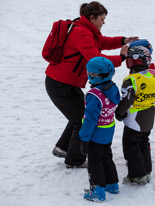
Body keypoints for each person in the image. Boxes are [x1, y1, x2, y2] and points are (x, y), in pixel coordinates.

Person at [45, 1, 138, 168]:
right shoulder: (82, 33)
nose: (104, 22)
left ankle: (62, 148)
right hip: (60, 84)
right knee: (82, 119)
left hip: (65, 82)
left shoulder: (87, 30)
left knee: (81, 114)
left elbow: (102, 42)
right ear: (92, 17)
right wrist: (121, 58)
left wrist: (123, 40)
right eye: (102, 19)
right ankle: (75, 160)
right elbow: (96, 60)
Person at [115, 44, 155, 185]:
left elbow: (127, 100)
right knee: (143, 143)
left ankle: (137, 175)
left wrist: (119, 112)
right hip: (148, 117)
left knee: (131, 146)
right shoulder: (151, 78)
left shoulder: (131, 80)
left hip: (134, 119)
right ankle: (146, 170)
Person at [79, 57, 120, 202]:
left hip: (95, 135)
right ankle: (112, 184)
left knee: (95, 162)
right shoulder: (113, 89)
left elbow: (90, 120)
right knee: (107, 158)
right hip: (108, 132)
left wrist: (84, 138)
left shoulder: (94, 96)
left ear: (93, 76)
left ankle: (97, 191)